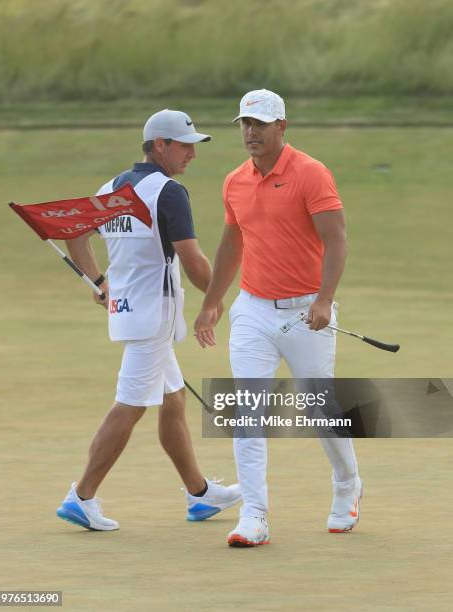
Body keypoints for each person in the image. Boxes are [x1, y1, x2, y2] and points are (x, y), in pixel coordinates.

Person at [57, 109, 241, 531]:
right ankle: (81, 496)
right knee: (130, 406)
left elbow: (75, 235)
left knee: (173, 398)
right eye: (184, 145)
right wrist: (214, 300)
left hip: (129, 312)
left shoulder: (112, 186)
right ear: (160, 144)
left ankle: (199, 494)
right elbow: (192, 258)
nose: (192, 153)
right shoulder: (169, 192)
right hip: (153, 317)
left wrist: (99, 281)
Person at [194, 90, 362, 547]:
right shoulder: (234, 181)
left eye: (261, 124)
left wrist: (325, 300)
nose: (251, 132)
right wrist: (213, 301)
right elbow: (232, 243)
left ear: (282, 127)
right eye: (245, 123)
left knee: (319, 409)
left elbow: (337, 239)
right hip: (252, 310)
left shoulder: (311, 174)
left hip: (306, 311)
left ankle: (347, 485)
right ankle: (254, 514)